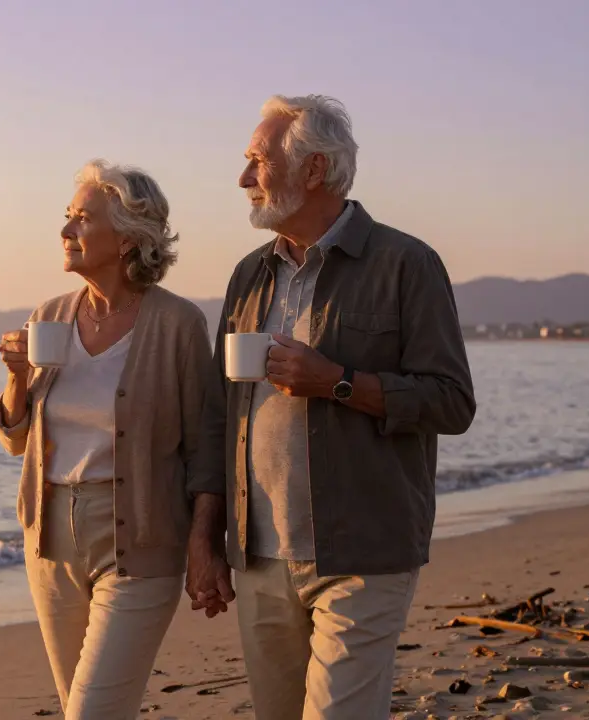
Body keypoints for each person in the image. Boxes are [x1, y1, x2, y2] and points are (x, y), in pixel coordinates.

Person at [186, 95, 476, 719]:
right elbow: (220, 416)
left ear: (313, 170)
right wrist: (205, 538)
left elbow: (452, 403)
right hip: (259, 553)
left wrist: (338, 382)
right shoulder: (247, 276)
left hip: (364, 552)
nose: (242, 179)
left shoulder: (407, 264)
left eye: (257, 162)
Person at [0, 160, 217, 719]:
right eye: (67, 217)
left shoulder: (178, 325)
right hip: (49, 542)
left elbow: (206, 446)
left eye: (82, 219)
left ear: (125, 238)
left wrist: (204, 542)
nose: (66, 231)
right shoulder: (49, 318)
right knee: (80, 704)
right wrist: (17, 376)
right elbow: (17, 440)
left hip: (140, 542)